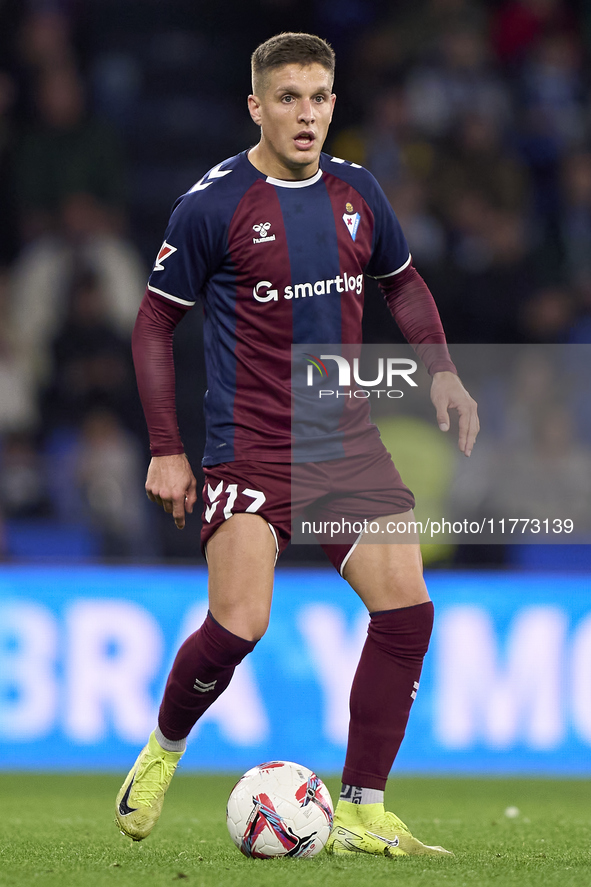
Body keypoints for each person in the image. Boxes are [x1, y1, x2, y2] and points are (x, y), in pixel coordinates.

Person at [115, 32, 479, 858]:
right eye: (288, 98)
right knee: (239, 623)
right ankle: (163, 749)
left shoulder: (358, 192)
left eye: (318, 98)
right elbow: (152, 322)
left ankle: (361, 808)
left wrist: (444, 374)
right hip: (248, 444)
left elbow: (404, 282)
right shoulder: (212, 205)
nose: (305, 114)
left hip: (342, 438)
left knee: (407, 611)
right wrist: (166, 448)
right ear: (256, 107)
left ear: (332, 105)